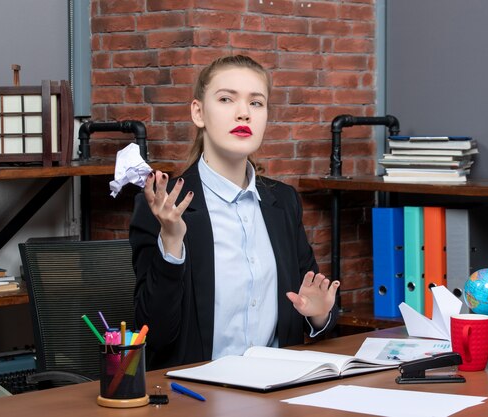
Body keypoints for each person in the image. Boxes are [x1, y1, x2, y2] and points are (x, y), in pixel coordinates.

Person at [129, 55, 340, 370]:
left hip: (278, 387)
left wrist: (319, 312)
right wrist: (171, 243)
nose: (244, 113)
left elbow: (311, 299)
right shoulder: (165, 206)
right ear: (198, 112)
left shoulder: (282, 202)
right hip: (198, 395)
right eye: (226, 99)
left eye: (256, 103)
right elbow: (155, 335)